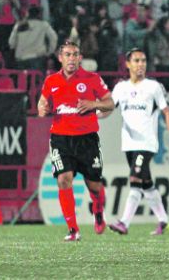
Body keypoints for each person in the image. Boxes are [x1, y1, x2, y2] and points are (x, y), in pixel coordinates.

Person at [37, 41, 115, 241]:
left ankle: (98, 213)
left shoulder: (92, 79)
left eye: (75, 54)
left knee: (94, 185)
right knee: (64, 179)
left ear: (80, 58)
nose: (71, 58)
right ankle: (73, 230)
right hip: (61, 138)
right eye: (67, 55)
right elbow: (42, 102)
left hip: (87, 139)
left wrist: (93, 104)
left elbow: (110, 103)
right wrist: (42, 109)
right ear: (60, 58)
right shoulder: (51, 81)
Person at [102, 48, 169, 235]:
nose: (141, 64)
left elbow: (167, 112)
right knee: (146, 183)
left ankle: (124, 223)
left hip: (146, 144)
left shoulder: (154, 87)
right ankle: (163, 221)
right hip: (129, 144)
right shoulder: (121, 88)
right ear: (127, 64)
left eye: (143, 60)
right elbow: (108, 109)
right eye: (136, 61)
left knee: (135, 179)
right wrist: (93, 114)